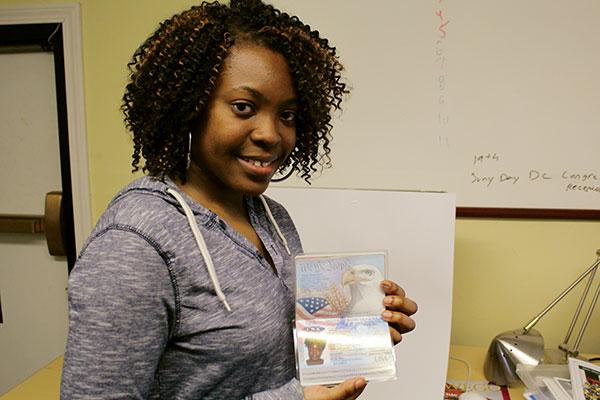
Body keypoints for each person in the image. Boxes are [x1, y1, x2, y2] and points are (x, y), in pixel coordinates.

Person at [60, 1, 418, 399]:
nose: (271, 134)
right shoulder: (133, 245)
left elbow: (284, 355)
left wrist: (358, 324)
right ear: (189, 108)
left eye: (288, 115)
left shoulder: (272, 219)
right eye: (244, 108)